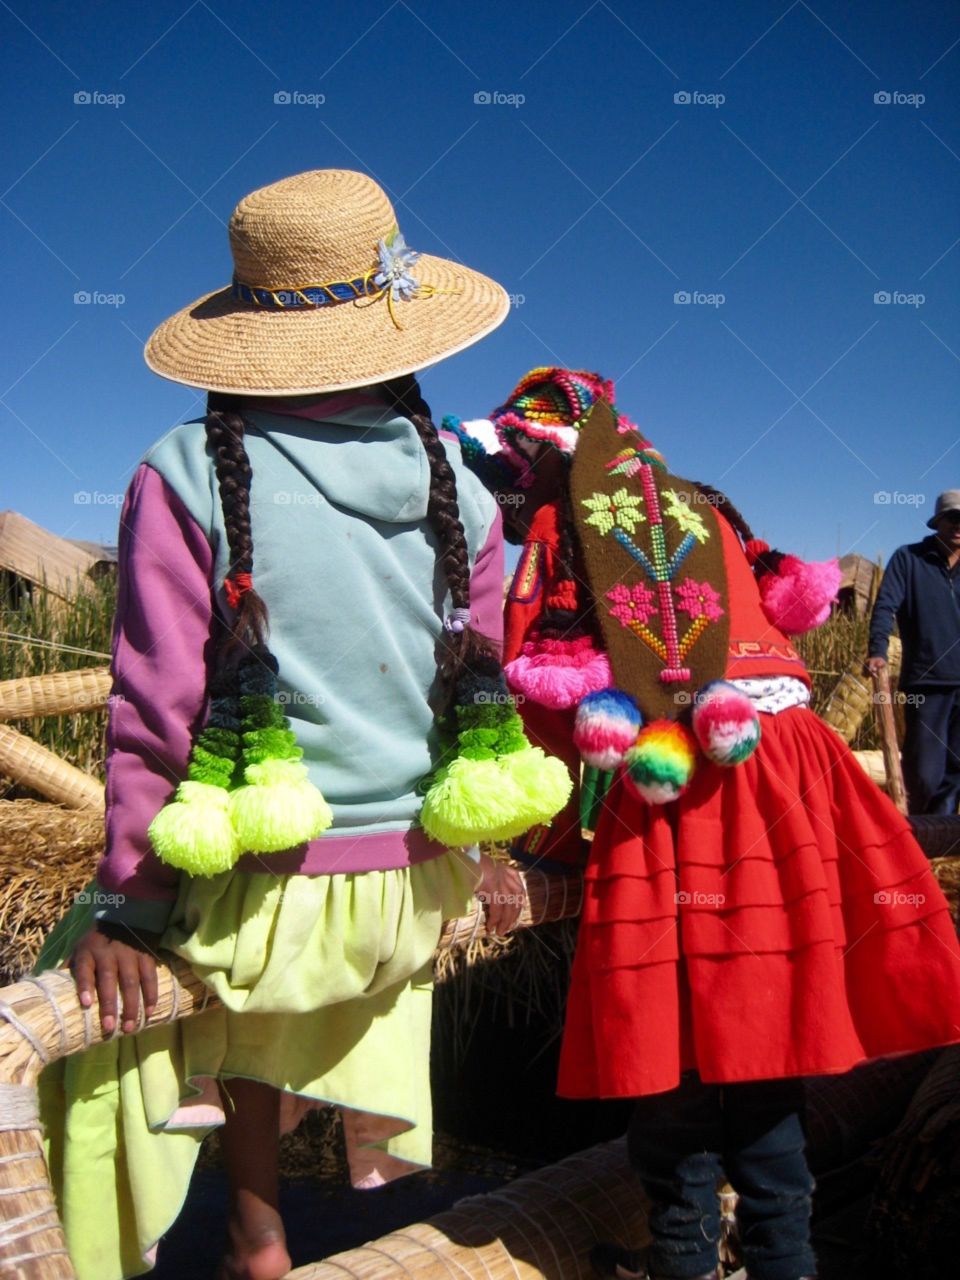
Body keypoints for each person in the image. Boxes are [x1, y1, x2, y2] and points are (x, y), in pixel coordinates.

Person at [37, 171, 571, 1280]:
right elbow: (471, 705)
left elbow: (156, 713)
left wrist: (122, 909)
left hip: (275, 895)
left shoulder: (181, 473)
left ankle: (249, 1221)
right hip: (414, 889)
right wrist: (477, 854)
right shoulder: (465, 495)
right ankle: (320, 1203)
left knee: (84, 983)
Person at [449, 368, 960, 1280]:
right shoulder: (703, 507)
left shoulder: (561, 529)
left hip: (677, 787)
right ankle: (785, 1260)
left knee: (676, 1054)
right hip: (785, 774)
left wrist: (538, 843)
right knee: (765, 1049)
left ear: (534, 458)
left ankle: (683, 1258)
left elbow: (543, 695)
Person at [867, 490, 960, 814]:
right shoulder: (909, 559)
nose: (958, 526)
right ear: (938, 522)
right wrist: (877, 649)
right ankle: (914, 830)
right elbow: (885, 607)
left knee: (955, 771)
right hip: (928, 682)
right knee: (924, 772)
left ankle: (941, 838)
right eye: (952, 518)